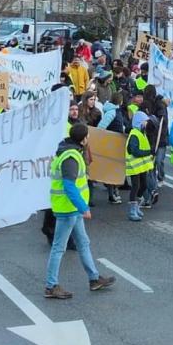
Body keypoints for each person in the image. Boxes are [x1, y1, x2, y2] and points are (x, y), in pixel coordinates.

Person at [44, 123, 116, 299]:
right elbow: (69, 185)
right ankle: (51, 286)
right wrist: (83, 207)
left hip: (71, 208)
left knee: (83, 243)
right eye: (88, 136)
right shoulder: (71, 157)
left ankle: (94, 279)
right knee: (58, 248)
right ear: (83, 139)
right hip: (68, 209)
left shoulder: (67, 151)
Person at [124, 112, 155, 221]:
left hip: (141, 167)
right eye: (145, 121)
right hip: (134, 167)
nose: (147, 123)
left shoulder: (142, 133)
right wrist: (148, 152)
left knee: (144, 185)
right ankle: (132, 210)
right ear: (139, 122)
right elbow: (135, 151)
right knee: (136, 187)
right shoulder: (134, 134)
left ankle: (136, 206)